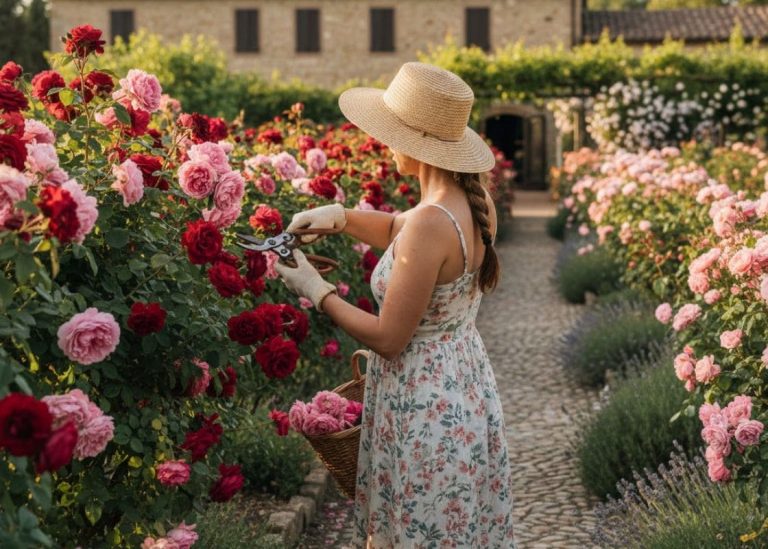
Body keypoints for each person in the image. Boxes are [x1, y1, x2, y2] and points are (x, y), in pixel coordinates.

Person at [275, 62, 517, 548]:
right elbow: (395, 228)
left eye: (391, 133)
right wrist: (339, 217)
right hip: (462, 390)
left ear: (419, 141)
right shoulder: (471, 203)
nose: (385, 142)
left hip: (424, 407)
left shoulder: (431, 222)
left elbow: (389, 338)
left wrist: (314, 289)